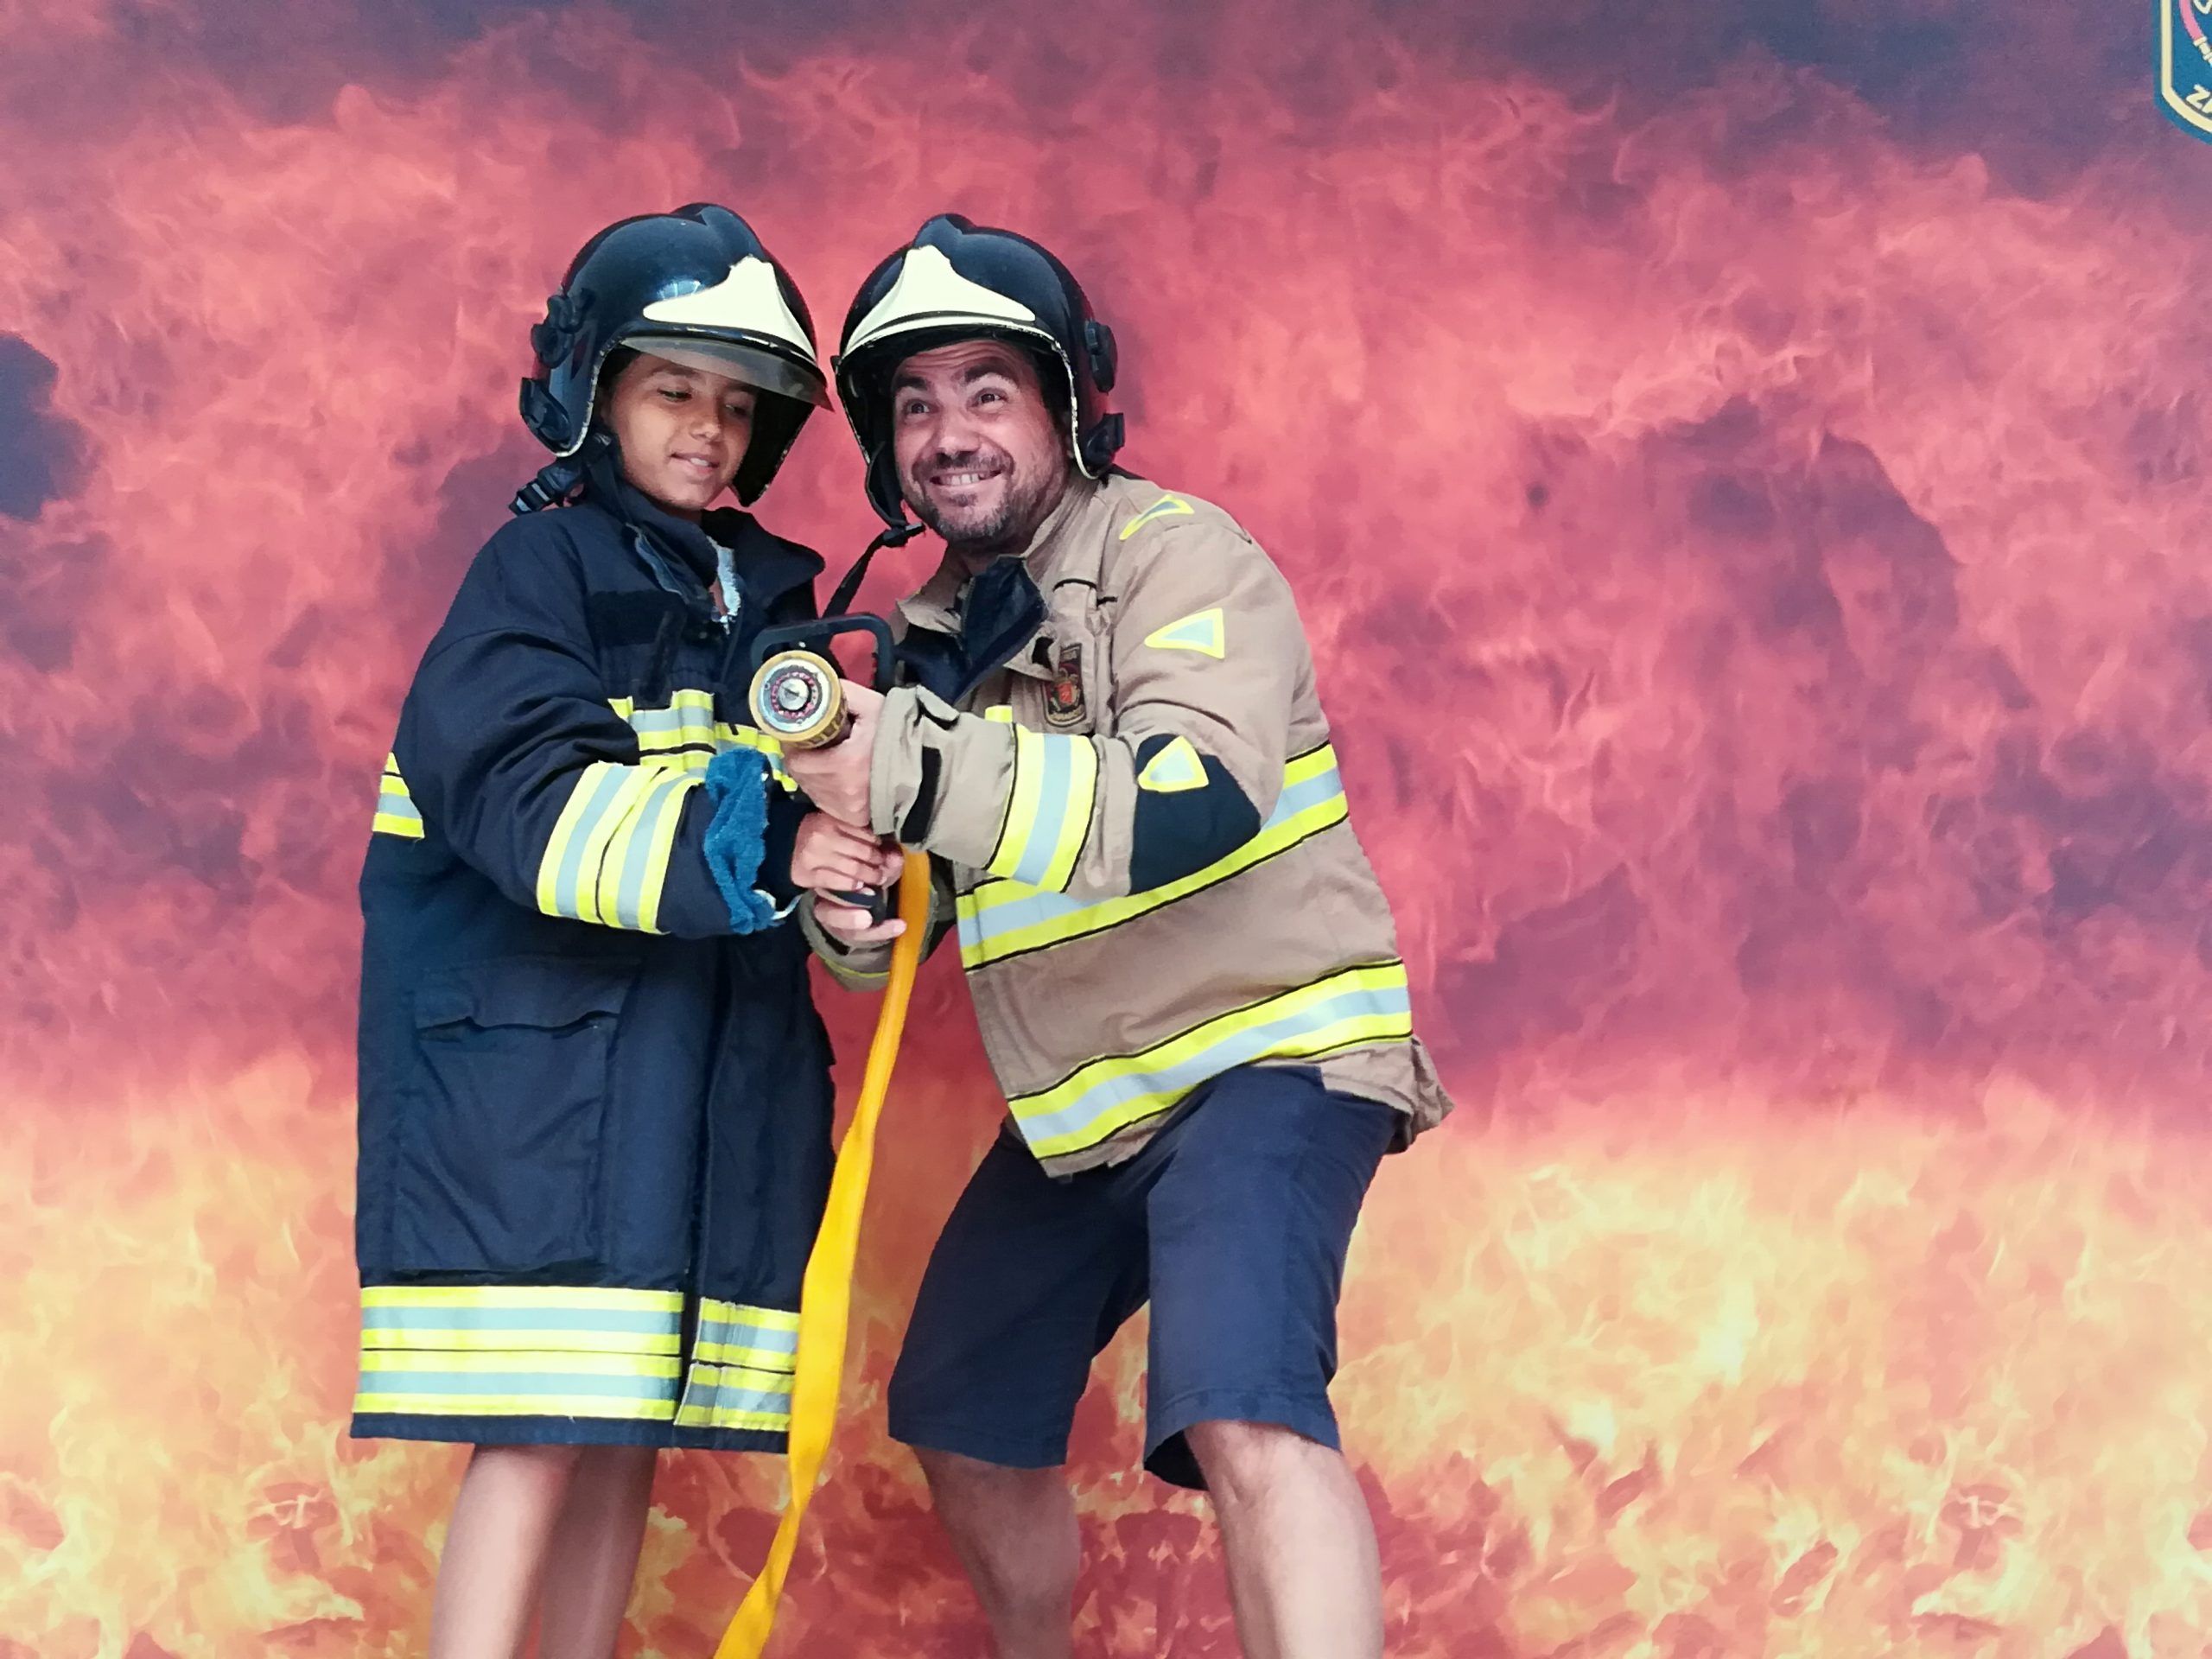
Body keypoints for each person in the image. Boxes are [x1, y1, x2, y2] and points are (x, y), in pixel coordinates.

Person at [779, 214, 1456, 1659]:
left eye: (984, 392)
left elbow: (1192, 797)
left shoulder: (1177, 554)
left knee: (1242, 1408)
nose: (946, 432)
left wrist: (901, 764)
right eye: (912, 403)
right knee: (960, 1409)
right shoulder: (927, 641)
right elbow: (931, 900)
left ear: (1066, 406)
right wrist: (847, 898)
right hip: (1090, 1107)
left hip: (1265, 1053)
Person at [350, 204, 899, 1659]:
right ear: (592, 388)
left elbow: (790, 862)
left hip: (693, 1079)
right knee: (536, 1425)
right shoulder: (532, 579)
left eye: (738, 408)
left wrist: (846, 894)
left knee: (620, 1427)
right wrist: (775, 837)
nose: (710, 434)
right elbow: (532, 800)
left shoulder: (762, 603)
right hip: (543, 1086)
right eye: (673, 391)